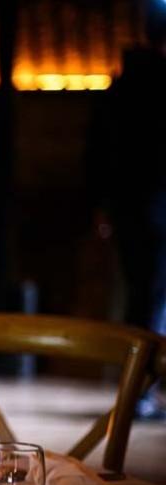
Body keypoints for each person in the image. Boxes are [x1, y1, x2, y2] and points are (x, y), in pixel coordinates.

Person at [88, 8, 166, 416]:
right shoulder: (157, 87)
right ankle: (140, 392)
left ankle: (137, 389)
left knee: (140, 296)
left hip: (126, 209)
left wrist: (102, 206)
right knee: (150, 301)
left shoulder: (119, 86)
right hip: (155, 207)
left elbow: (96, 153)